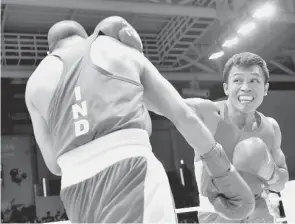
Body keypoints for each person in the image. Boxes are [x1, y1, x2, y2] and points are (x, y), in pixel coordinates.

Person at [25, 17, 254, 223]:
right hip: (131, 168)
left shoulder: (35, 83)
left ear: (49, 51)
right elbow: (183, 116)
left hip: (75, 188)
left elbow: (54, 165)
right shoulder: (111, 45)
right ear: (85, 37)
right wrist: (222, 171)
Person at [186, 52, 289, 223]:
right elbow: (170, 104)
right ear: (226, 88)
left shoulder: (271, 127)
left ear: (265, 89)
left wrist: (269, 172)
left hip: (261, 212)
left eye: (254, 80)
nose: (246, 87)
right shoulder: (211, 115)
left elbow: (281, 184)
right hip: (218, 214)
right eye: (238, 80)